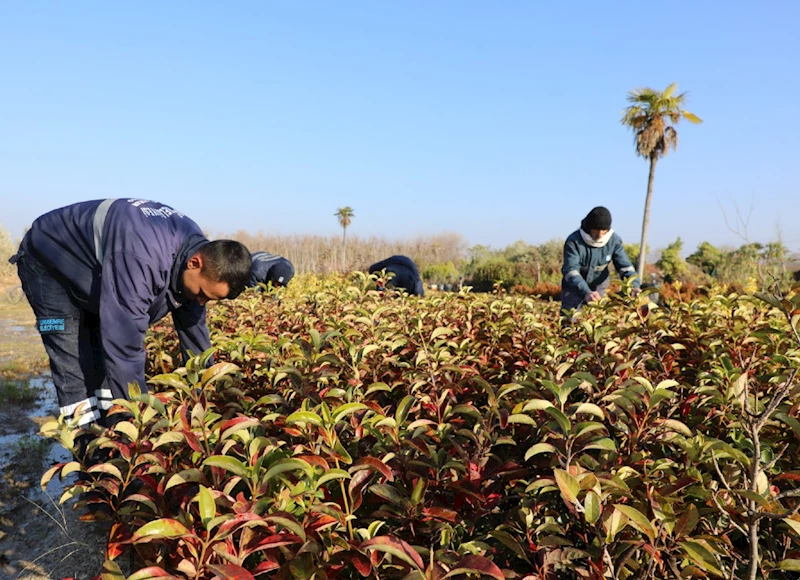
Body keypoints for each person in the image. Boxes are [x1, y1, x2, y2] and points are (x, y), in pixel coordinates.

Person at [9, 199, 252, 428]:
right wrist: (140, 416)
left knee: (104, 362)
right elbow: (124, 342)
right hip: (50, 260)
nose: (200, 301)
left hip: (95, 269)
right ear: (195, 263)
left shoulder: (196, 250)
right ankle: (86, 453)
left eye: (208, 298)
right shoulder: (142, 256)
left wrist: (204, 392)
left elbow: (194, 331)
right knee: (75, 361)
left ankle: (112, 438)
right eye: (200, 292)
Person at [561, 206, 640, 314]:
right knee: (570, 318)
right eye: (596, 230)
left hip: (600, 286)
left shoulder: (614, 240)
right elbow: (571, 270)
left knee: (598, 317)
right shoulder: (574, 241)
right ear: (589, 227)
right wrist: (586, 292)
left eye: (604, 230)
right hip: (574, 288)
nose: (600, 234)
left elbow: (624, 266)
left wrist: (634, 286)